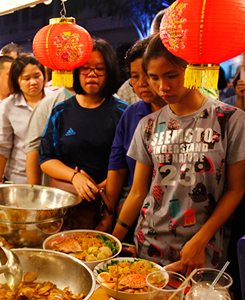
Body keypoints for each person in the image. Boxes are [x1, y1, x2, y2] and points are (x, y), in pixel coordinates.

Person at [112, 33, 245, 275]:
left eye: (171, 75)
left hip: (202, 250)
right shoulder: (148, 125)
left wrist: (200, 241)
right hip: (149, 246)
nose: (163, 87)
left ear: (191, 70)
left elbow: (236, 189)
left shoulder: (230, 120)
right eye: (154, 78)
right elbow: (139, 191)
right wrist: (111, 243)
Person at [39, 38, 127, 230]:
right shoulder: (60, 112)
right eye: (85, 68)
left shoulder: (123, 113)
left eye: (100, 68)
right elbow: (46, 158)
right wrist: (75, 176)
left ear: (109, 71)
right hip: (67, 202)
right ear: (76, 72)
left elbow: (128, 165)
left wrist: (106, 188)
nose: (92, 75)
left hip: (110, 202)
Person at [99, 36, 167, 234]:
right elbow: (118, 169)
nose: (141, 83)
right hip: (133, 211)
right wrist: (108, 215)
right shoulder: (131, 114)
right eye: (134, 76)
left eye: (148, 74)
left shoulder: (186, 116)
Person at [0, 54, 47, 184]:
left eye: (37, 76)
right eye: (26, 78)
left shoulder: (54, 101)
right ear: (17, 80)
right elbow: (4, 145)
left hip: (50, 176)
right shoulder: (9, 105)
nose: (33, 82)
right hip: (19, 176)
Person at [25, 86, 75, 185]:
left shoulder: (113, 104)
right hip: (59, 189)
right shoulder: (50, 104)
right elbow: (34, 148)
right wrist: (35, 191)